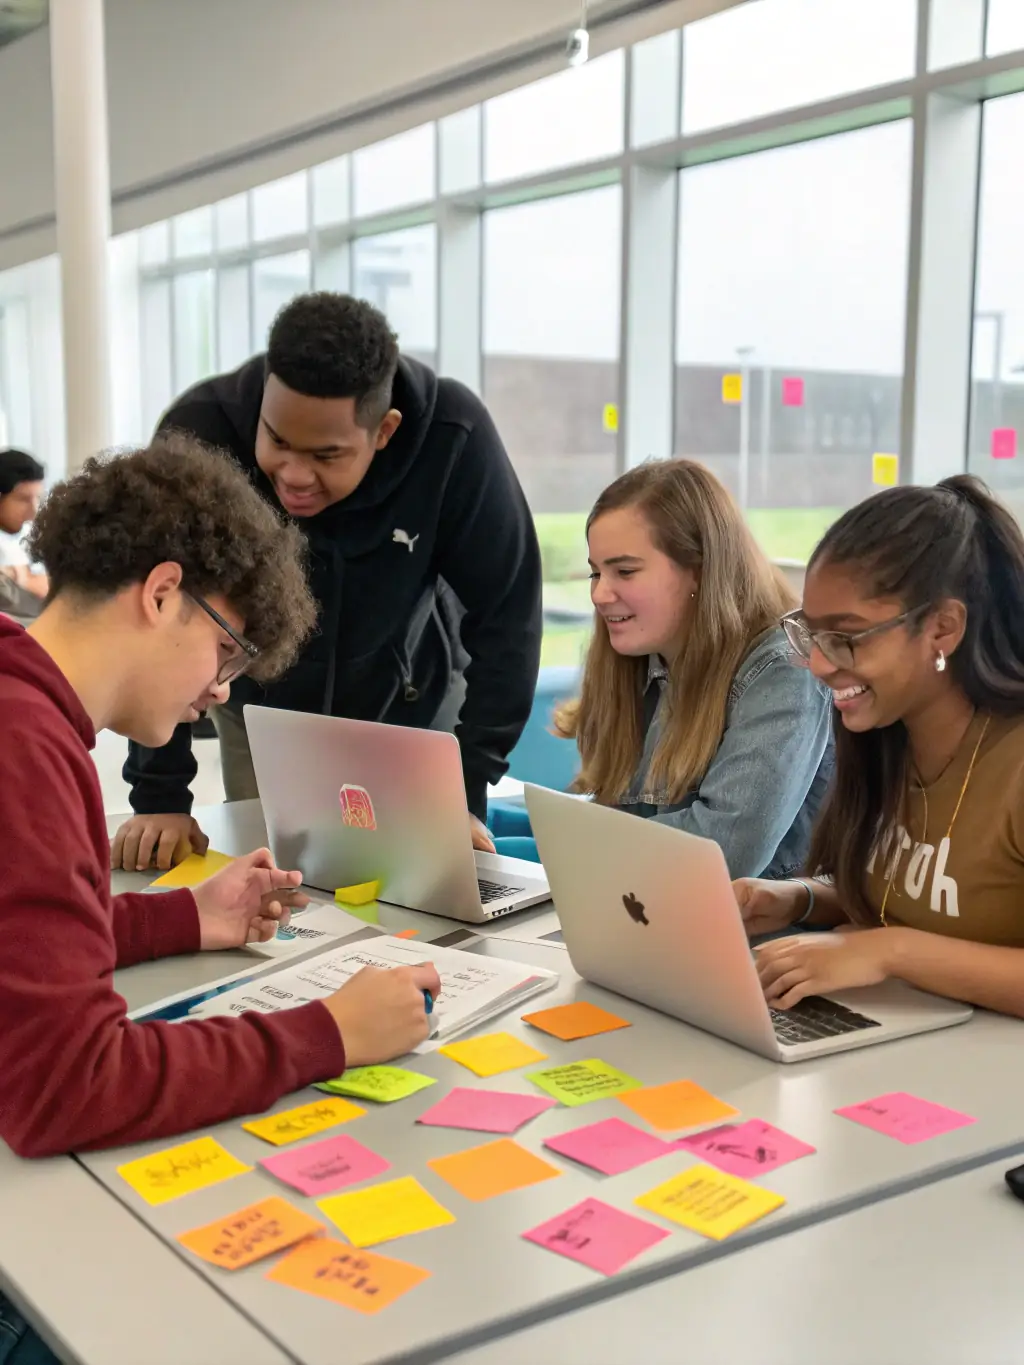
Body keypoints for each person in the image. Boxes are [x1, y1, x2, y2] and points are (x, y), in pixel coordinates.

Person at [0, 434, 440, 1165]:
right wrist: (331, 1031)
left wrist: (183, 917)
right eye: (227, 649)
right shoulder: (24, 746)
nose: (221, 690)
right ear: (161, 593)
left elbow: (27, 945)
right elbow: (65, 1086)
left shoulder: (23, 703)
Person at [111, 292, 542, 873]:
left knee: (417, 888)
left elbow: (509, 615)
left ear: (384, 430)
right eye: (277, 440)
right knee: (277, 881)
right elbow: (157, 618)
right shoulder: (201, 431)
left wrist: (465, 788)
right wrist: (160, 795)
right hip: (260, 714)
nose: (293, 475)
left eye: (326, 455)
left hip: (410, 713)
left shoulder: (453, 437)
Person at [738, 474, 1024, 1019]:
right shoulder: (888, 733)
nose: (819, 664)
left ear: (943, 629)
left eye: (845, 637)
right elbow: (917, 895)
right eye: (812, 635)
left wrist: (889, 952)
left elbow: (909, 932)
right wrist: (798, 898)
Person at [552, 458, 832, 879]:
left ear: (699, 570)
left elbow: (723, 852)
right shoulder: (639, 659)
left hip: (750, 920)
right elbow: (622, 823)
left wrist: (568, 841)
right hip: (649, 905)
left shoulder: (784, 667)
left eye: (625, 571)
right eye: (596, 573)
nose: (599, 594)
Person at [0, 447, 47, 600]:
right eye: (23, 499)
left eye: (38, 498)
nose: (34, 511)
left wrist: (19, 575)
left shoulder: (31, 532)